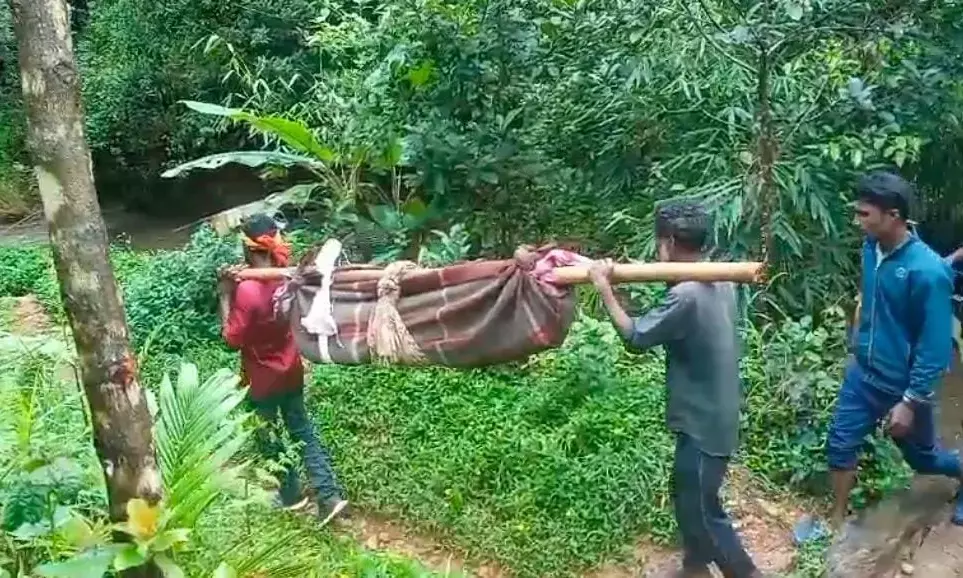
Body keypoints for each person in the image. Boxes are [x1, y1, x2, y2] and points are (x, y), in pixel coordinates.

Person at [590, 200, 768, 578]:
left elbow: (636, 337)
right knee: (687, 497)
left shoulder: (686, 296)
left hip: (703, 422)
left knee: (703, 511)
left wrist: (604, 287)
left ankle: (746, 573)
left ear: (668, 242)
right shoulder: (721, 279)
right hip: (712, 411)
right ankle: (695, 568)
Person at [828, 171, 962, 529]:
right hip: (863, 374)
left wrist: (910, 401)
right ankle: (836, 522)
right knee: (840, 443)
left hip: (902, 385)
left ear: (894, 216)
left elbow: (935, 347)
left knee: (924, 460)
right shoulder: (871, 248)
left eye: (864, 214)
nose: (857, 221)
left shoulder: (928, 272)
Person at [218, 214, 349, 523]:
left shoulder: (247, 290)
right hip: (291, 368)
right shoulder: (288, 278)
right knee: (302, 431)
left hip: (261, 379)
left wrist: (224, 294)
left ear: (247, 248)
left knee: (268, 435)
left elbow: (231, 340)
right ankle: (328, 496)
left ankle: (290, 495)